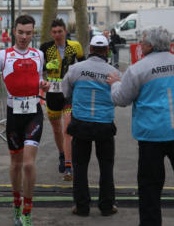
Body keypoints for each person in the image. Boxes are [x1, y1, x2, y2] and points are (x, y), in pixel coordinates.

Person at [107, 27, 174, 226]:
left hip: (152, 136)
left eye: (142, 42)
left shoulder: (138, 69)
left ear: (150, 45)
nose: (140, 46)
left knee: (150, 188)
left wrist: (115, 83)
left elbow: (121, 99)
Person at [0, 15, 49, 226]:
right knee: (16, 164)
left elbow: (35, 78)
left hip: (34, 113)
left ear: (33, 33)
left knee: (28, 165)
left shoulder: (39, 54)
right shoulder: (2, 55)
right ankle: (16, 203)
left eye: (28, 33)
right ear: (14, 31)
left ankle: (27, 212)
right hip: (13, 115)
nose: (24, 37)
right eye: (20, 32)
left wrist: (42, 85)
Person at [62, 35, 119, 217]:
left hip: (81, 124)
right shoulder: (113, 72)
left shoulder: (76, 69)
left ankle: (82, 206)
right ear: (107, 50)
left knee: (80, 167)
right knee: (106, 166)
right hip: (104, 124)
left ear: (91, 49)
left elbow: (65, 92)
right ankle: (107, 206)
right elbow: (119, 96)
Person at [40, 18, 85, 181]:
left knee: (67, 128)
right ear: (51, 33)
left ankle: (68, 165)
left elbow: (83, 66)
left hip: (69, 93)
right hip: (52, 93)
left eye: (60, 31)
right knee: (57, 129)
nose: (57, 34)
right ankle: (61, 154)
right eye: (54, 32)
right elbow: (39, 69)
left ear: (65, 32)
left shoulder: (75, 46)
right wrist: (47, 68)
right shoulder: (45, 48)